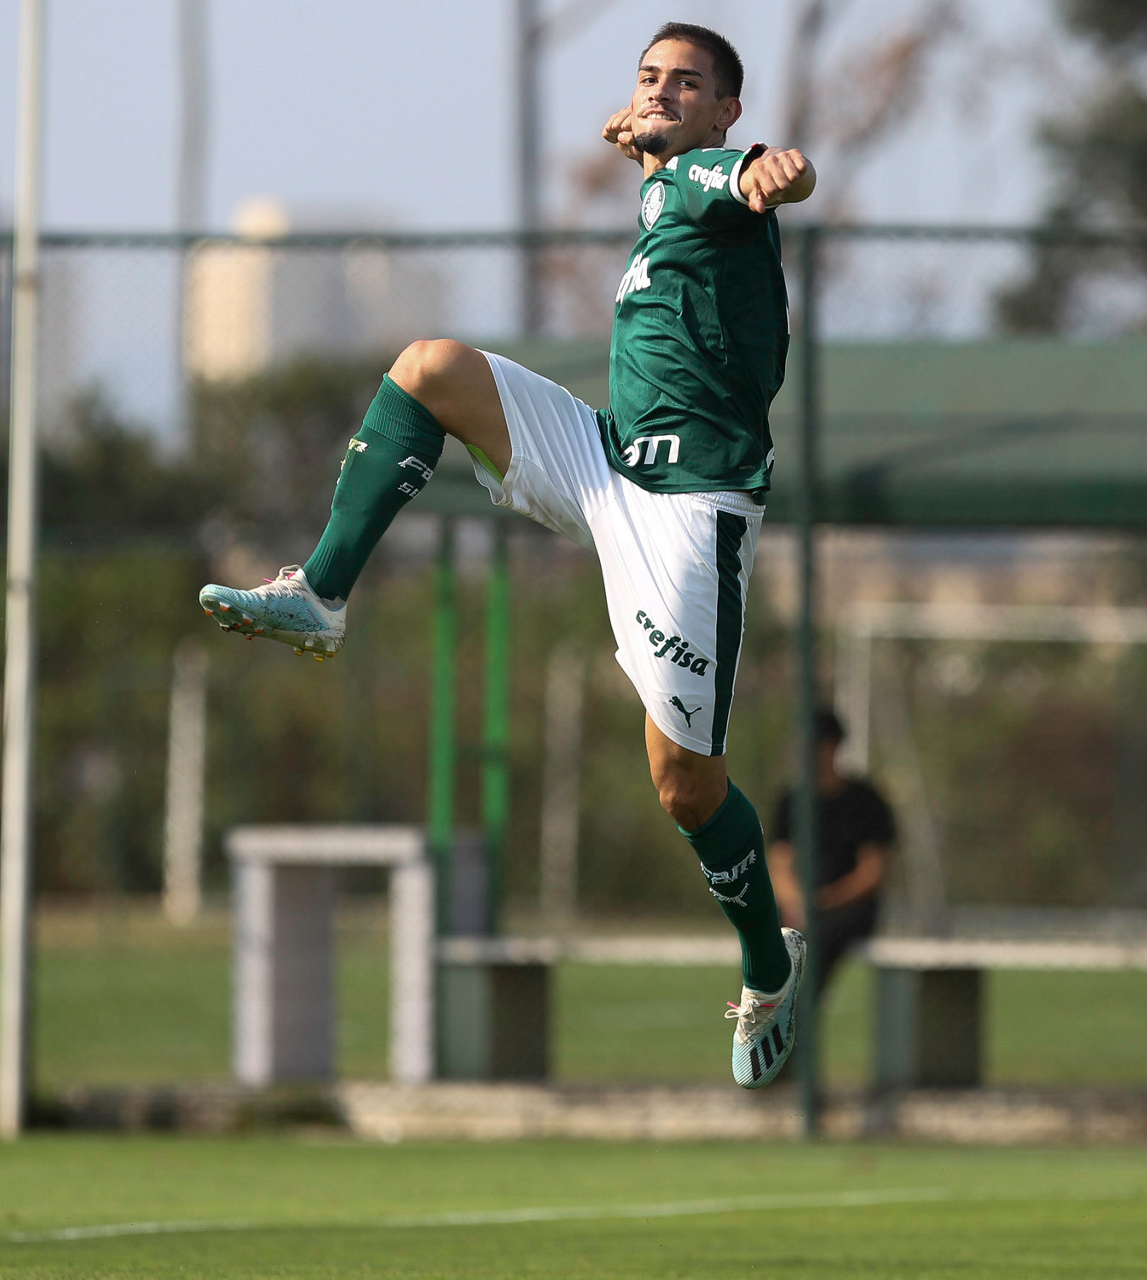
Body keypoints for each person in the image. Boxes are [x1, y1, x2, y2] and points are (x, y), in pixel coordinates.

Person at [199, 22, 817, 1089]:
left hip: (688, 511)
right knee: (429, 367)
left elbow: (757, 178)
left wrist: (770, 170)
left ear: (727, 111)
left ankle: (771, 961)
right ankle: (322, 593)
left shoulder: (709, 180)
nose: (660, 92)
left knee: (683, 787)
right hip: (606, 457)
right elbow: (677, 170)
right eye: (648, 77)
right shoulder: (664, 184)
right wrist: (650, 144)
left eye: (688, 84)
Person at [768, 710, 897, 1006]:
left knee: (818, 942)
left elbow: (872, 872)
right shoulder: (790, 800)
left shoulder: (865, 800)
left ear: (833, 746)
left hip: (846, 909)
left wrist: (824, 901)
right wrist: (797, 902)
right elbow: (780, 863)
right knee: (764, 933)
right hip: (797, 906)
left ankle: (798, 1017)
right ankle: (759, 1014)